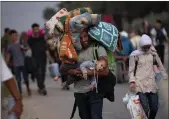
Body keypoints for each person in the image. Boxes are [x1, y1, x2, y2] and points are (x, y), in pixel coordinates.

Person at [60, 28, 112, 119]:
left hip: (95, 91)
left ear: (91, 36)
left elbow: (105, 71)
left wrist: (87, 73)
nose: (83, 40)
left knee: (96, 117)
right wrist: (73, 71)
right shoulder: (73, 50)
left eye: (85, 36)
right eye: (80, 37)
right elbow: (63, 69)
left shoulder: (98, 48)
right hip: (79, 92)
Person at [129, 34, 168, 119]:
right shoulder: (135, 55)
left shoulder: (153, 53)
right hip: (140, 84)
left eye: (148, 46)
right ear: (141, 45)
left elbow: (160, 64)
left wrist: (164, 74)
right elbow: (131, 70)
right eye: (145, 47)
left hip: (151, 83)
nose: (147, 48)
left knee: (154, 108)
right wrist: (132, 81)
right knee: (145, 108)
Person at [6, 30, 31, 96]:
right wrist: (6, 64)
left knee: (25, 78)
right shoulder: (10, 46)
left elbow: (28, 48)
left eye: (16, 35)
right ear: (10, 37)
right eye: (13, 36)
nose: (14, 37)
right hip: (16, 65)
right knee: (18, 79)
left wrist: (24, 48)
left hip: (23, 63)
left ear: (17, 35)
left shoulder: (22, 42)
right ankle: (20, 92)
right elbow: (8, 55)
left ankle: (28, 88)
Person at [28, 23, 49, 95]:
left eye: (37, 29)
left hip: (43, 57)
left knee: (43, 73)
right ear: (33, 30)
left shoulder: (42, 37)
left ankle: (40, 87)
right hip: (35, 58)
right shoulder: (30, 39)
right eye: (35, 29)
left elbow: (45, 45)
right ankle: (42, 87)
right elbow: (28, 46)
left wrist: (47, 52)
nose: (36, 30)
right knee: (38, 73)